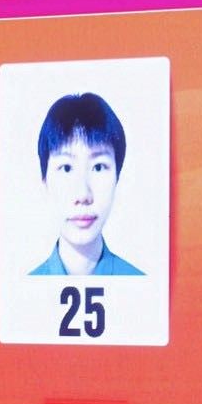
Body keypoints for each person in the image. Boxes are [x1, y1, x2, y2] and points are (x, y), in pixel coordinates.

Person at [28, 92, 143, 276]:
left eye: (98, 167)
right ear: (45, 182)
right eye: (66, 168)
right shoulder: (25, 289)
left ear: (117, 178)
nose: (83, 195)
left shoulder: (141, 286)